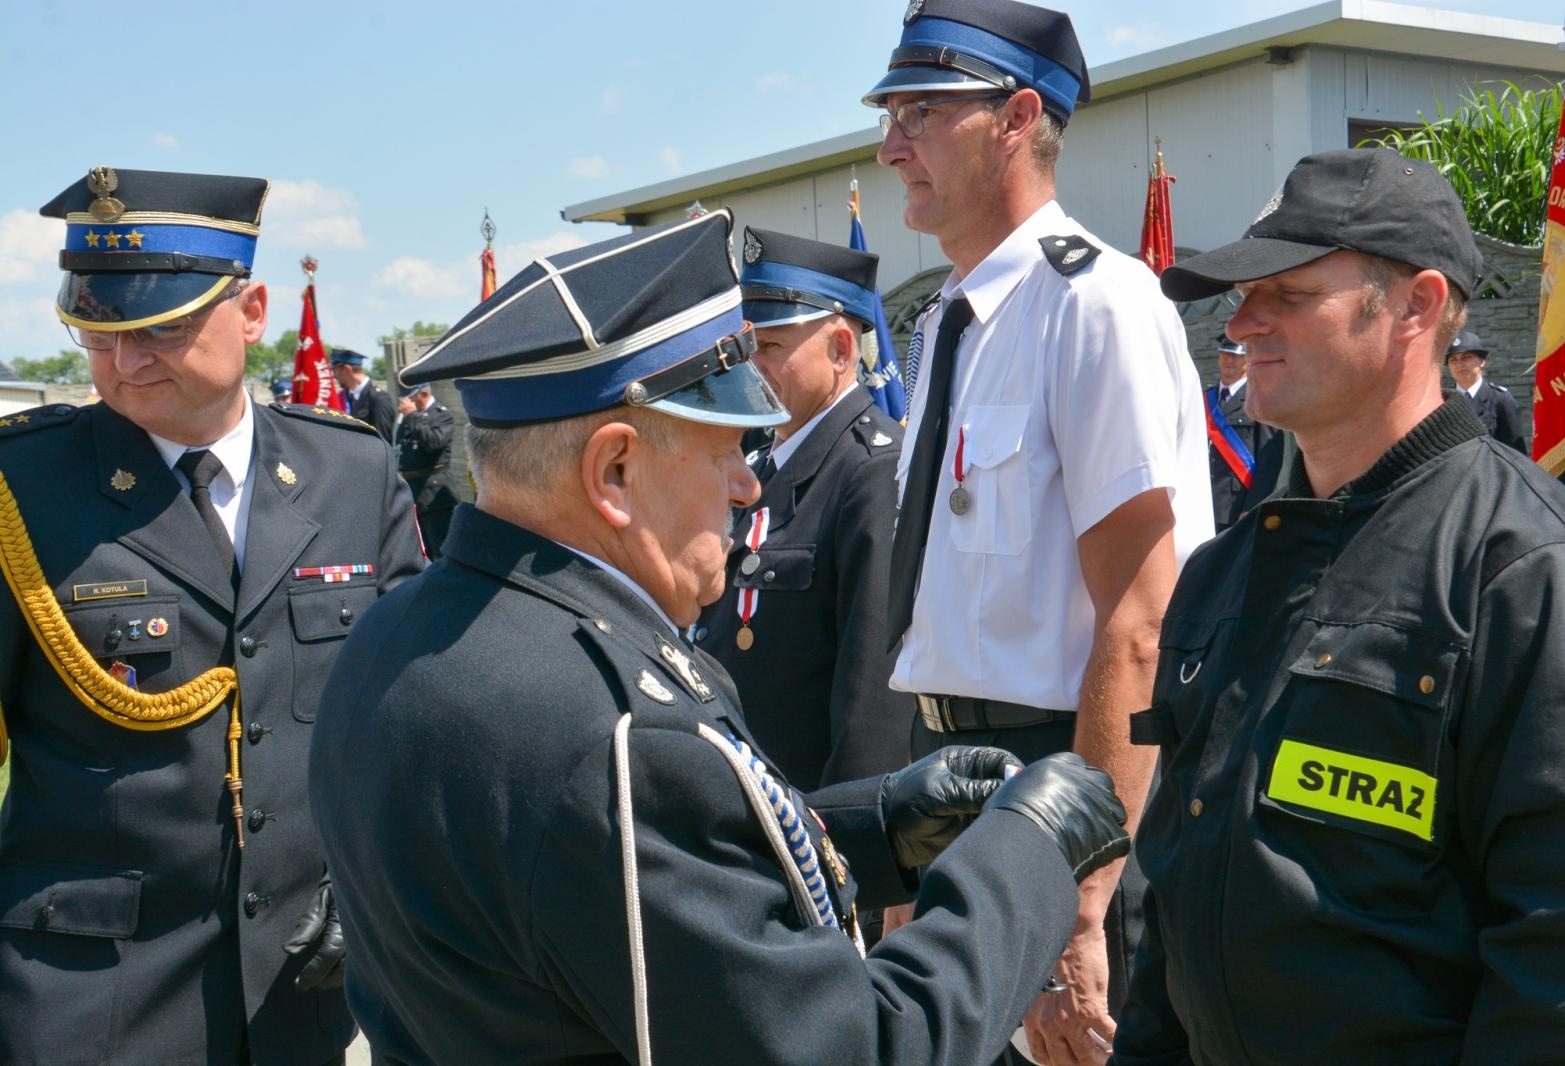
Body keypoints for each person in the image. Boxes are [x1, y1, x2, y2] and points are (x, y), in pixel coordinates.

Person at [308, 209, 1134, 1065]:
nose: (746, 485)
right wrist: (1025, 855)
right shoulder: (620, 737)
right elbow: (857, 1049)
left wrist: (871, 828)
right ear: (614, 471)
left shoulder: (394, 635)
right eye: (723, 452)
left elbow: (603, 879)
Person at [1119, 147, 1565, 1064]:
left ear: (1416, 306)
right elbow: (1174, 898)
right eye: (1240, 292)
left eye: (1288, 293)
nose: (1241, 321)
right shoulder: (1224, 572)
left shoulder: (1527, 570)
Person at [0, 166, 425, 1064]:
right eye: (98, 332)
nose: (125, 361)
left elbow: (405, 719)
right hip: (88, 998)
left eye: (161, 327)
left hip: (307, 989)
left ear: (254, 310)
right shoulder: (22, 492)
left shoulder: (353, 473)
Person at [863, 2, 1214, 1059]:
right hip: (944, 772)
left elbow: (1141, 616)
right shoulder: (948, 325)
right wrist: (903, 861)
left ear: (1018, 117)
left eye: (921, 111)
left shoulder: (1096, 304)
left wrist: (1079, 898)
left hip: (1057, 777)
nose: (890, 146)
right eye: (890, 114)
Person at [698, 226, 913, 791]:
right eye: (746, 350)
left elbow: (874, 704)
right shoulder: (761, 461)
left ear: (841, 349)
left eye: (769, 348)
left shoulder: (873, 473)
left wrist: (853, 849)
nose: (749, 368)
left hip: (815, 823)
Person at [1205, 333, 1284, 531]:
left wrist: (1252, 507)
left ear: (1247, 361)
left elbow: (1269, 460)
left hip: (1236, 504)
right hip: (1202, 501)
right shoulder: (1204, 399)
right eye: (1224, 354)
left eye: (1236, 356)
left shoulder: (1261, 400)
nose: (1229, 360)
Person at [394, 382, 459, 558]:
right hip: (413, 491)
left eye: (410, 398)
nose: (406, 403)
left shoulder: (441, 415)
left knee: (441, 548)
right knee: (422, 551)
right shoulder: (410, 417)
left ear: (422, 395)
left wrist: (411, 415)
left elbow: (433, 443)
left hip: (433, 493)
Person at [1445, 329, 1526, 453]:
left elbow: (1516, 453)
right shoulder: (1442, 401)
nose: (1459, 364)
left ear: (1482, 361)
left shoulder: (1501, 400)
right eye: (1453, 360)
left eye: (1466, 357)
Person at [329, 347, 396, 441]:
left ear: (347, 369)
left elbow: (383, 441)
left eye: (334, 369)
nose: (334, 375)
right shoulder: (344, 397)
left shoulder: (378, 399)